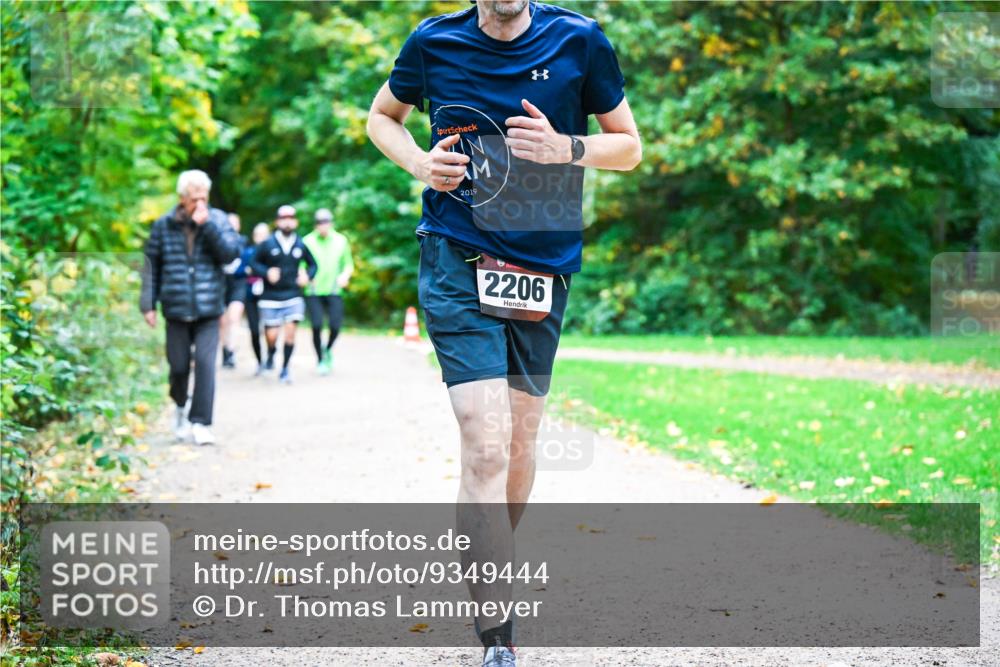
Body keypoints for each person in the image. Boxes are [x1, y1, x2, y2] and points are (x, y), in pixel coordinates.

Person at [367, 1, 640, 664]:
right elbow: (382, 117)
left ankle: (487, 545)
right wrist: (418, 165)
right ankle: (498, 634)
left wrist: (567, 148)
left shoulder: (580, 40)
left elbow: (628, 146)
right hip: (456, 255)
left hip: (542, 267)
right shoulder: (434, 42)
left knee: (519, 447)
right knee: (485, 445)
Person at [139, 169, 242, 446]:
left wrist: (207, 226)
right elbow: (151, 266)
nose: (200, 203)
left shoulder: (218, 220)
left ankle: (201, 423)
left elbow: (231, 254)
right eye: (194, 198)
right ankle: (180, 407)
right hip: (175, 308)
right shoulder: (163, 225)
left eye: (203, 197)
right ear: (182, 198)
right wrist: (147, 304)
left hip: (209, 308)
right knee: (179, 367)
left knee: (207, 366)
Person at [249, 205, 318, 384]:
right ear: (278, 221)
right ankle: (271, 352)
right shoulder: (267, 243)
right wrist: (266, 273)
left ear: (295, 221)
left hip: (293, 295)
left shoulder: (301, 244)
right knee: (271, 336)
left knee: (290, 333)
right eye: (283, 218)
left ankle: (285, 369)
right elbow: (253, 263)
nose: (287, 221)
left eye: (290, 218)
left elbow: (313, 265)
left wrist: (307, 276)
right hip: (270, 296)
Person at [302, 208, 354, 375]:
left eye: (326, 222)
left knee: (335, 326)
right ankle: (320, 360)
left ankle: (328, 349)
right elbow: (301, 265)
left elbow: (348, 264)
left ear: (331, 223)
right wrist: (304, 275)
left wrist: (345, 275)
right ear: (315, 225)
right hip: (313, 290)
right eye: (319, 223)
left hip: (334, 289)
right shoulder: (307, 241)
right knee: (316, 326)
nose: (323, 226)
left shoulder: (341, 240)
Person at [220, 212, 249, 369]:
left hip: (238, 282)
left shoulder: (243, 242)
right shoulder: (219, 242)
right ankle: (225, 350)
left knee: (234, 317)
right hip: (223, 283)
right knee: (223, 321)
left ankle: (231, 350)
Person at [244, 222, 271, 374]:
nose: (260, 238)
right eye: (258, 235)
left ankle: (270, 357)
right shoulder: (248, 253)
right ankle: (259, 361)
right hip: (251, 297)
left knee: (270, 329)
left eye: (263, 235)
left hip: (269, 296)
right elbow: (239, 271)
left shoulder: (273, 253)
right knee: (254, 330)